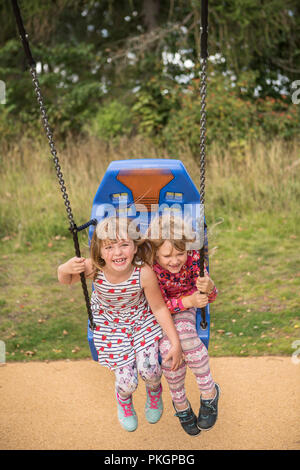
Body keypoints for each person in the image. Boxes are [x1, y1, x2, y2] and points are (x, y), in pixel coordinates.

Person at [57, 216, 182, 432]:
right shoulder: (94, 268)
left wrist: (175, 342)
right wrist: (64, 268)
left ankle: (154, 391)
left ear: (134, 247)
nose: (117, 253)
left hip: (140, 320)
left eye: (124, 244)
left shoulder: (143, 273)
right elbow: (66, 280)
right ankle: (124, 400)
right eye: (109, 247)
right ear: (99, 251)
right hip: (109, 326)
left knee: (150, 371)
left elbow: (159, 308)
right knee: (128, 382)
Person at [147, 214, 220, 436]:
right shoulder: (151, 270)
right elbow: (157, 306)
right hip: (160, 314)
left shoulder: (194, 262)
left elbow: (212, 296)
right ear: (155, 253)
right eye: (167, 255)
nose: (175, 260)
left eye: (180, 253)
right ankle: (180, 402)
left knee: (187, 338)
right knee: (167, 352)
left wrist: (209, 287)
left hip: (185, 312)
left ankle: (209, 393)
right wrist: (186, 300)